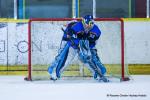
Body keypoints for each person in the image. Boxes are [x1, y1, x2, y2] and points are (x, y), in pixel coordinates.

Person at [47, 15, 109, 82]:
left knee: (88, 58)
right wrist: (76, 44)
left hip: (85, 44)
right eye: (87, 24)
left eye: (91, 24)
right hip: (71, 42)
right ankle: (56, 73)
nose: (89, 27)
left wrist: (87, 49)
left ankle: (98, 74)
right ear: (83, 22)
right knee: (66, 58)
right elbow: (69, 37)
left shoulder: (96, 31)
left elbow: (93, 42)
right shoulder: (76, 27)